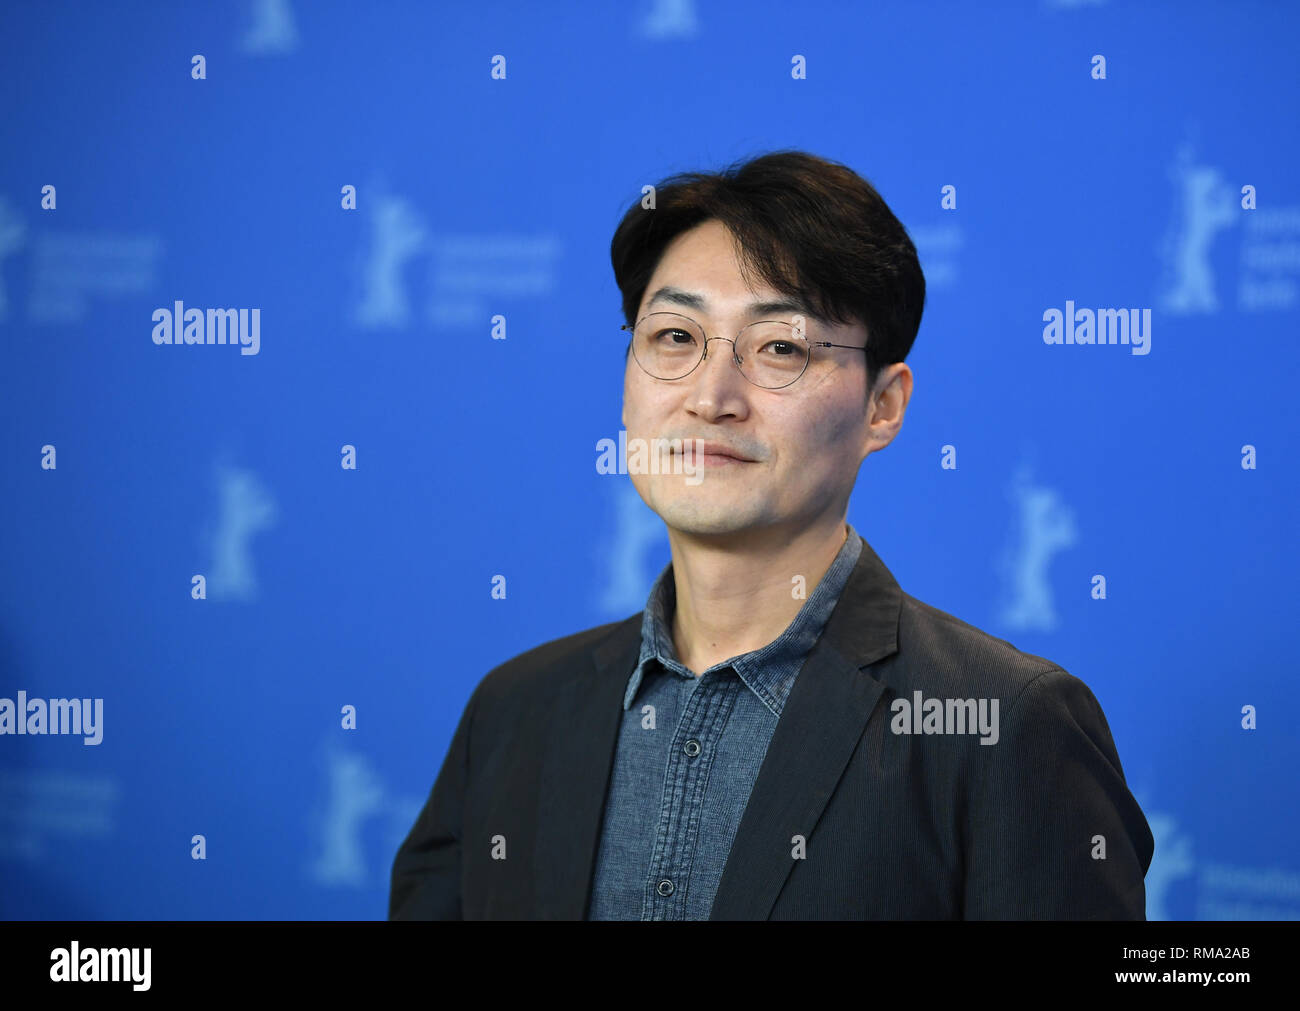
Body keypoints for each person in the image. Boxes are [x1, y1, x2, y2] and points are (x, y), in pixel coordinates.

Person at [389, 150, 1153, 920]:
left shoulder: (1003, 725)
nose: (711, 396)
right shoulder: (514, 711)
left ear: (883, 406)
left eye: (781, 347)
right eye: (676, 337)